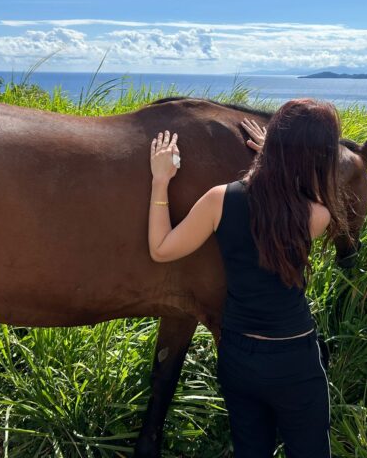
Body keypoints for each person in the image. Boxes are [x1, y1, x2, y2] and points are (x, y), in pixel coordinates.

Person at [148, 98, 347, 457]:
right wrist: (279, 154)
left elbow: (161, 249)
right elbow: (305, 190)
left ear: (275, 143)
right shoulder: (317, 216)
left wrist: (161, 181)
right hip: (294, 357)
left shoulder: (219, 200)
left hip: (239, 355)